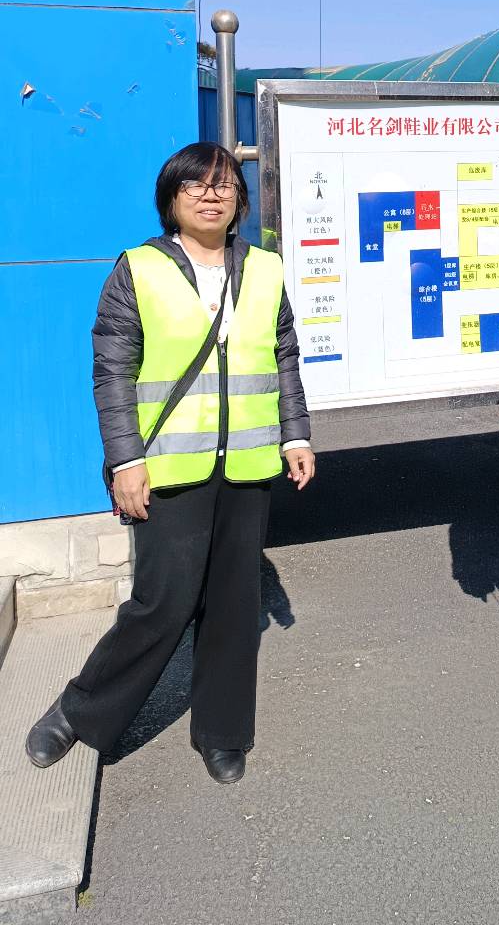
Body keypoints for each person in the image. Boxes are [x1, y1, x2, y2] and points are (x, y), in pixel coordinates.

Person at [25, 143, 315, 784]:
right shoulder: (139, 269)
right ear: (171, 199)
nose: (211, 195)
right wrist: (125, 460)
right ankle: (79, 710)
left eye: (224, 185)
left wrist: (296, 436)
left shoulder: (265, 269)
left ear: (240, 200)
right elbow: (112, 373)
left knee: (235, 604)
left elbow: (284, 358)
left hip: (248, 465)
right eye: (195, 186)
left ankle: (223, 732)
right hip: (169, 468)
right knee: (162, 604)